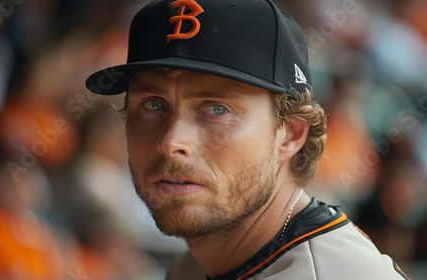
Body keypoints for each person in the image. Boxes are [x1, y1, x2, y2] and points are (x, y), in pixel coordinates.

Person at [85, 0, 410, 279]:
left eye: (215, 109)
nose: (171, 141)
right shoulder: (196, 264)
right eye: (154, 104)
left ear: (291, 133)